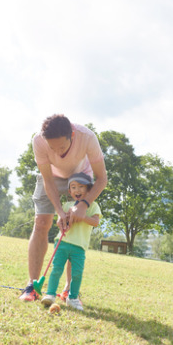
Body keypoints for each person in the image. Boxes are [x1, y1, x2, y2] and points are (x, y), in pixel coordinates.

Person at [19, 114, 107, 301]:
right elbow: (48, 181)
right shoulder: (38, 141)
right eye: (53, 148)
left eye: (62, 147)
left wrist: (83, 205)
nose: (57, 152)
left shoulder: (87, 137)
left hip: (79, 177)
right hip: (52, 177)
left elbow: (102, 179)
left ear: (72, 135)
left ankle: (68, 289)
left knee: (72, 228)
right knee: (42, 222)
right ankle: (32, 285)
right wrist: (59, 211)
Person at [40, 172, 101, 311]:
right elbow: (58, 222)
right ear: (69, 191)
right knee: (56, 269)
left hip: (79, 246)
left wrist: (82, 215)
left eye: (81, 187)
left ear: (89, 190)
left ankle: (72, 298)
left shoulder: (93, 206)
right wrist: (65, 218)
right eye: (73, 187)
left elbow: (96, 222)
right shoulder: (66, 205)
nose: (77, 190)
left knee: (77, 273)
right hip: (62, 243)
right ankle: (50, 294)